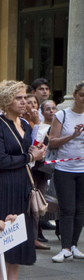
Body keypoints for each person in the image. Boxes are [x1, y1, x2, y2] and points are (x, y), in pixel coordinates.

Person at [0, 80, 45, 280]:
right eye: (19, 97)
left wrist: (38, 153)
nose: (24, 101)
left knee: (18, 235)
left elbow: (31, 157)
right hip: (3, 185)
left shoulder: (26, 125)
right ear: (7, 101)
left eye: (25, 97)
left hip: (22, 184)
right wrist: (30, 158)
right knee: (4, 235)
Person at [49, 81, 84, 263]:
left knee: (80, 209)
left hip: (83, 169)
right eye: (82, 95)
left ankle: (73, 245)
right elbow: (52, 142)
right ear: (75, 95)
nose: (83, 99)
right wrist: (72, 136)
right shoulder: (63, 115)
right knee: (67, 209)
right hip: (65, 169)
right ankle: (65, 248)